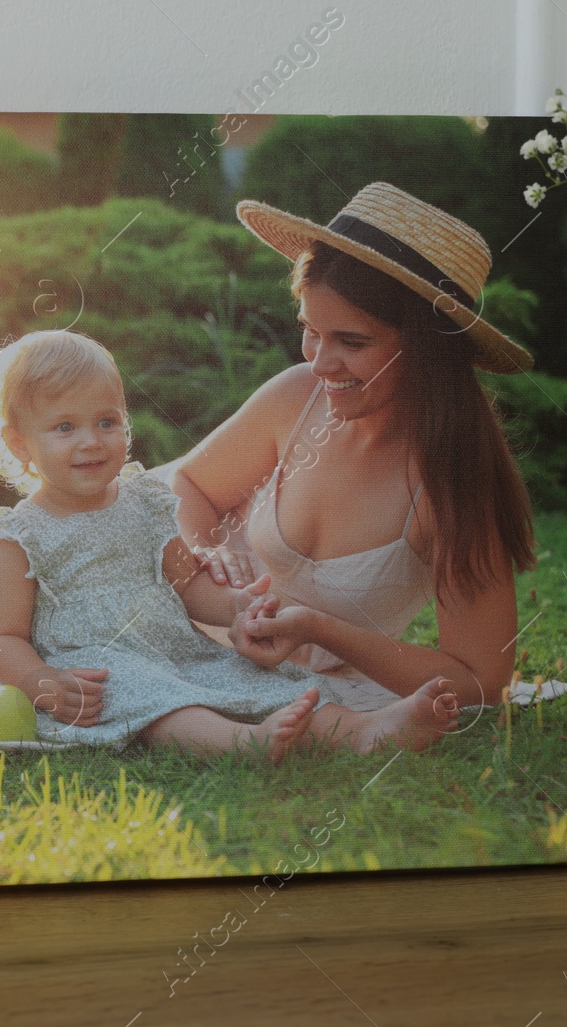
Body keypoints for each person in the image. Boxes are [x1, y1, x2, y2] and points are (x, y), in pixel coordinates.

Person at [0, 328, 460, 761]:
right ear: (20, 444)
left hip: (174, 647)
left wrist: (237, 607)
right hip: (92, 667)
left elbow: (187, 584)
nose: (92, 441)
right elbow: (0, 636)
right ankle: (239, 744)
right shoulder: (21, 536)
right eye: (64, 427)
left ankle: (364, 729)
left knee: (249, 676)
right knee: (154, 697)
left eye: (106, 421)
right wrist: (41, 683)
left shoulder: (144, 502)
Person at [170, 181, 540, 709]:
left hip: (289, 676)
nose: (319, 363)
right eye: (310, 331)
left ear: (426, 350)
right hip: (193, 616)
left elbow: (481, 680)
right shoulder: (296, 398)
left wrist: (322, 630)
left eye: (351, 342)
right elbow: (186, 483)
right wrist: (207, 550)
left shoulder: (453, 486)